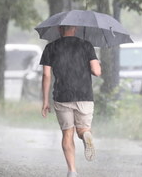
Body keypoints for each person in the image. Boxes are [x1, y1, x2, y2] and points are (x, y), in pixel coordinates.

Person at [40, 25, 101, 177]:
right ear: (75, 28)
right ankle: (86, 135)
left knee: (67, 134)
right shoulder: (86, 45)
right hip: (84, 95)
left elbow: (46, 75)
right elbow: (97, 72)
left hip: (62, 96)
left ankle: (72, 171)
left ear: (60, 29)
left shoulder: (51, 47)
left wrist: (45, 101)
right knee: (82, 130)